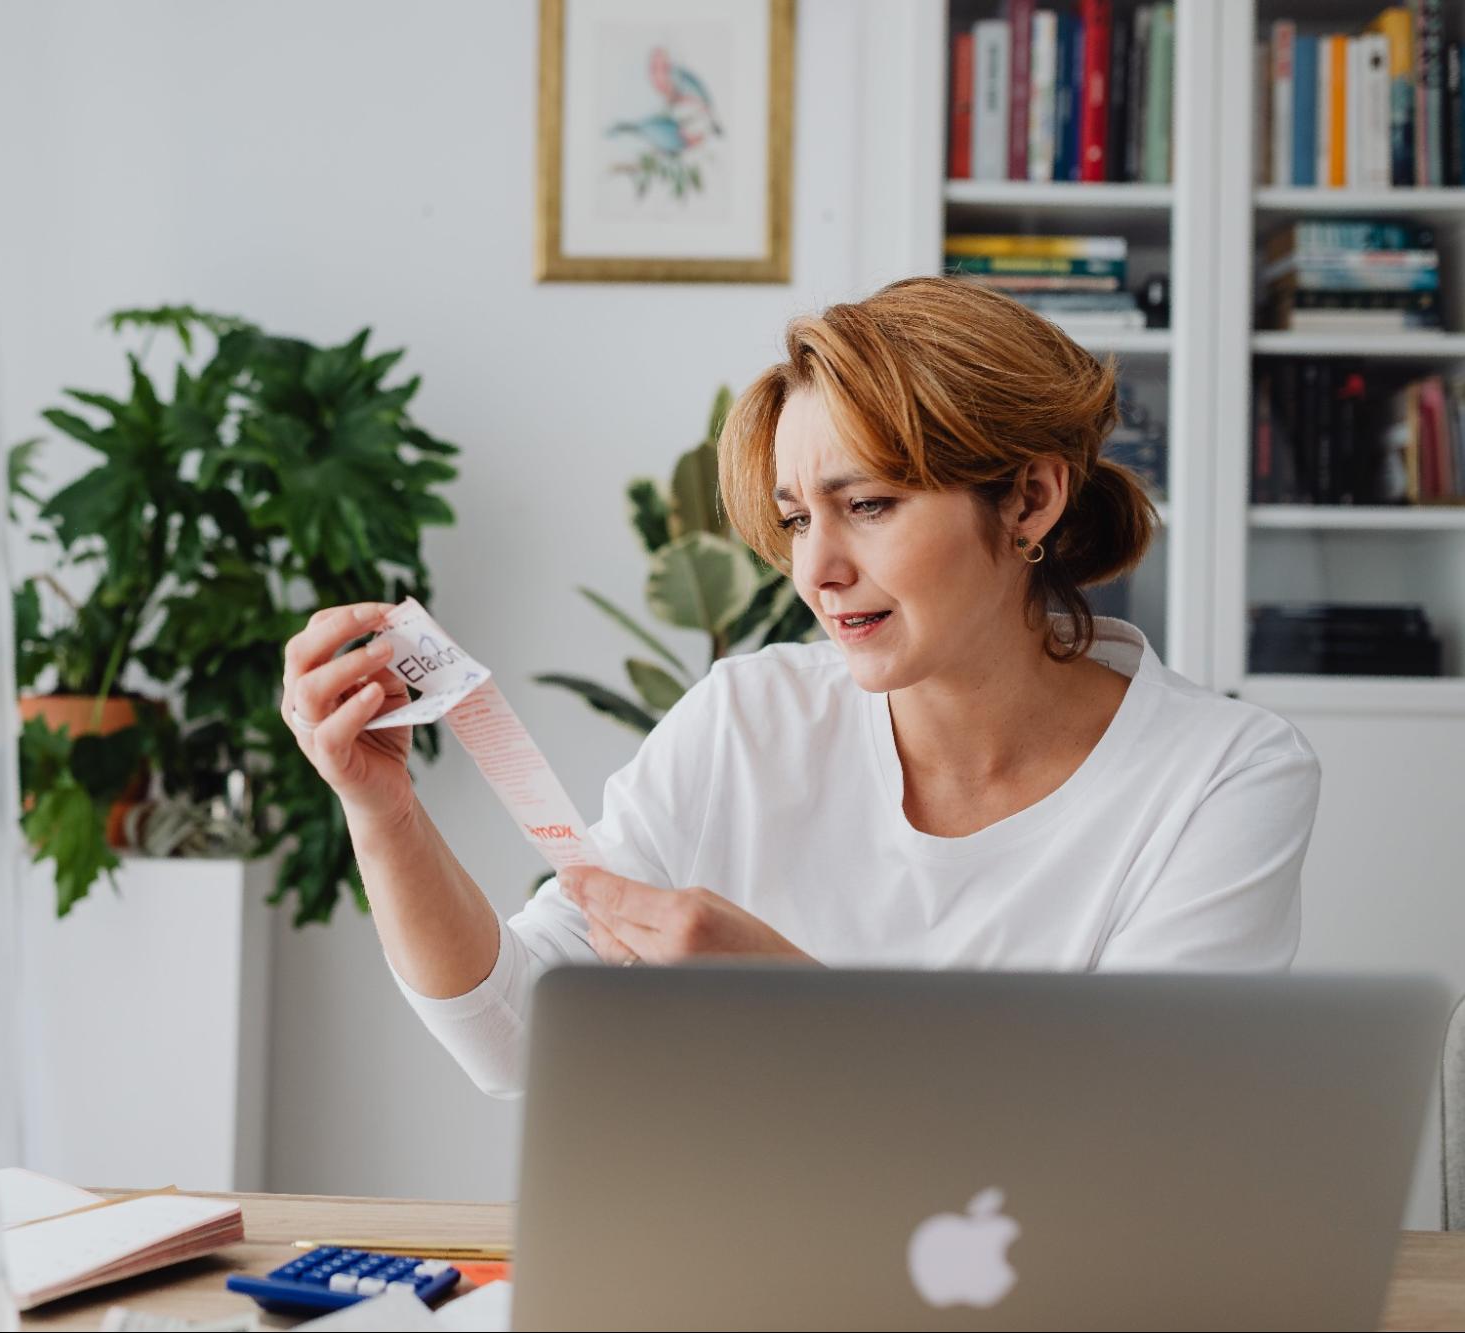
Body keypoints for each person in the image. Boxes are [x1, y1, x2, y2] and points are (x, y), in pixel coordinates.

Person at [278, 276, 1321, 1098]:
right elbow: (516, 1038)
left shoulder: (1221, 775)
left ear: (1030, 499)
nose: (813, 570)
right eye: (792, 519)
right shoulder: (747, 719)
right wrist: (383, 813)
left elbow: (1138, 1135)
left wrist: (792, 1006)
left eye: (865, 503)